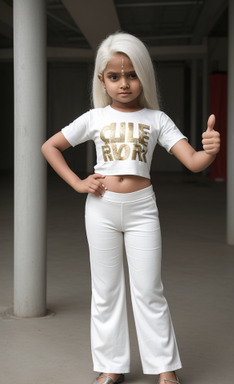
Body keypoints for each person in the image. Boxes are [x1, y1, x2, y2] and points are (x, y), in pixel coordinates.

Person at [41, 32, 220, 384]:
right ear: (102, 80)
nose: (124, 83)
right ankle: (112, 366)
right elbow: (50, 146)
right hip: (101, 208)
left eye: (132, 74)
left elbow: (194, 162)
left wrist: (210, 151)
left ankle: (164, 368)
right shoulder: (95, 117)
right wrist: (79, 183)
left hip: (142, 210)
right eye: (114, 76)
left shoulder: (157, 119)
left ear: (144, 75)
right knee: (106, 290)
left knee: (149, 289)